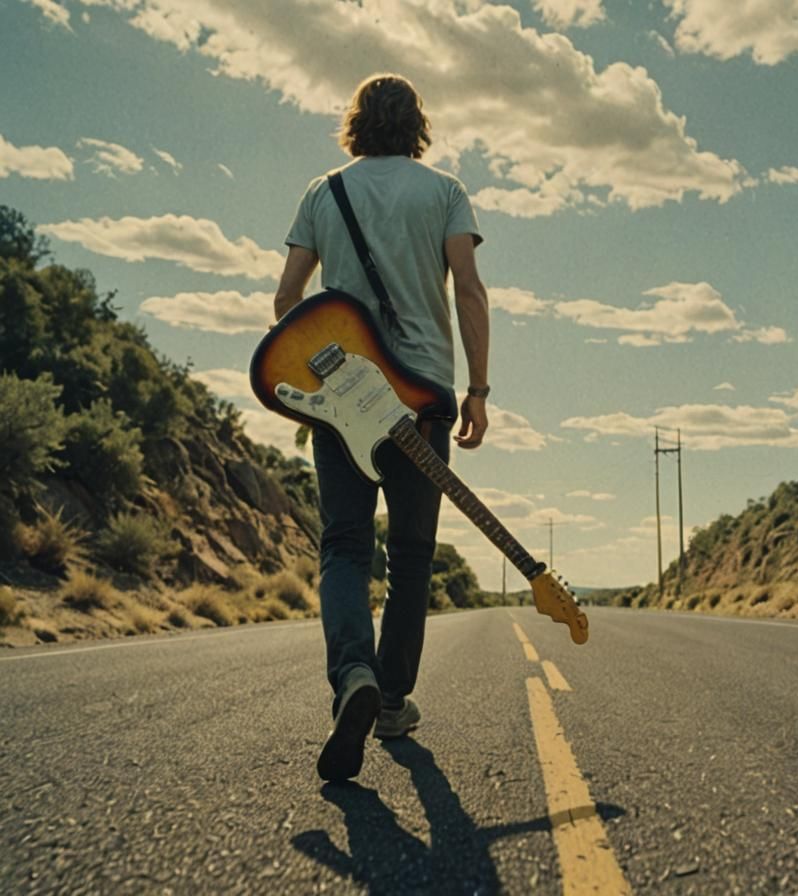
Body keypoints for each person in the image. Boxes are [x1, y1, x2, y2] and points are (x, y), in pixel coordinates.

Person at [272, 73, 490, 782]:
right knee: (412, 555)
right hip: (422, 397)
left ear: (356, 123)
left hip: (342, 402)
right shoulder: (445, 191)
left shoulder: (323, 192)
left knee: (344, 545)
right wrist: (478, 391)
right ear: (416, 125)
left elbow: (286, 300)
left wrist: (326, 373)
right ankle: (391, 701)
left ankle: (354, 677)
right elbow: (469, 289)